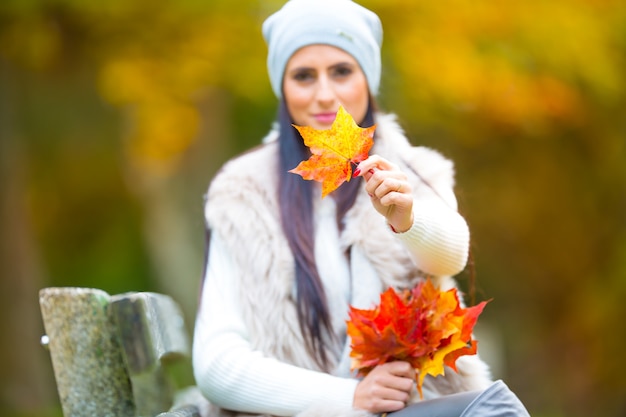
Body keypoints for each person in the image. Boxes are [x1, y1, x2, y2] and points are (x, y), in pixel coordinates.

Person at [192, 1, 529, 416]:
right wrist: (349, 399)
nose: (324, 95)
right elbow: (217, 363)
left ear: (367, 79)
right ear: (283, 88)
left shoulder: (414, 170)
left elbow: (451, 254)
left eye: (341, 71)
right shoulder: (242, 194)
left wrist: (408, 219)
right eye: (303, 76)